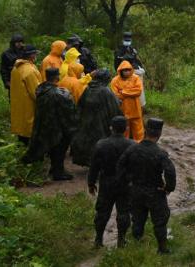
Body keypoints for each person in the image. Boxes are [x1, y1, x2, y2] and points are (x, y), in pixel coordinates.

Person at [117, 118, 176, 254]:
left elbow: (120, 165)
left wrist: (126, 182)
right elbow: (170, 171)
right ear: (159, 133)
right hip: (155, 191)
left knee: (137, 219)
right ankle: (162, 249)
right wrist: (168, 188)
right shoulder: (160, 153)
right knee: (160, 221)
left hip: (135, 189)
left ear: (145, 131)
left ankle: (136, 246)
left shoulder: (132, 149)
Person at [23, 67, 79, 181]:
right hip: (56, 126)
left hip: (44, 124)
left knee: (52, 148)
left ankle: (55, 169)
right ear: (57, 77)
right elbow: (67, 113)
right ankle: (58, 172)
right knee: (59, 149)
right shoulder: (59, 94)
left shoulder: (40, 90)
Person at [88, 115, 134, 249]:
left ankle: (98, 240)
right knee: (124, 212)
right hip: (125, 184)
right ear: (126, 129)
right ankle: (121, 240)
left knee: (102, 212)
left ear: (111, 128)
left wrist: (91, 183)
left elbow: (94, 166)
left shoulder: (101, 144)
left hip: (106, 182)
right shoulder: (131, 145)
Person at [71, 69, 122, 167]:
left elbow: (80, 105)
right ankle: (99, 165)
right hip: (102, 122)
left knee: (89, 142)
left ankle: (89, 162)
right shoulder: (105, 90)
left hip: (87, 121)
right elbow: (114, 107)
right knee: (101, 143)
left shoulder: (88, 88)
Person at [9, 45, 41, 145]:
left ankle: (20, 151)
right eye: (35, 54)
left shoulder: (16, 68)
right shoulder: (29, 71)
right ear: (31, 55)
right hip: (28, 106)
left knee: (21, 130)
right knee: (28, 131)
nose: (36, 55)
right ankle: (30, 156)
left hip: (18, 104)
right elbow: (36, 92)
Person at [110, 60, 144, 141]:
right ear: (121, 71)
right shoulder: (115, 80)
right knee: (124, 129)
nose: (127, 72)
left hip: (135, 109)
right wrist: (130, 92)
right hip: (123, 110)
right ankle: (125, 145)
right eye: (125, 70)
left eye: (129, 70)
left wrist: (123, 91)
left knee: (138, 129)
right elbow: (116, 94)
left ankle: (139, 145)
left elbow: (138, 91)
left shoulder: (136, 78)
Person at [115, 32, 146, 108]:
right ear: (123, 40)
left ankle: (140, 105)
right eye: (126, 40)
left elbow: (137, 61)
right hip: (123, 73)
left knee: (138, 90)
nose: (127, 42)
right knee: (125, 91)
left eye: (128, 40)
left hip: (135, 73)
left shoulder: (132, 49)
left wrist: (138, 66)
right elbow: (117, 63)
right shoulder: (119, 50)